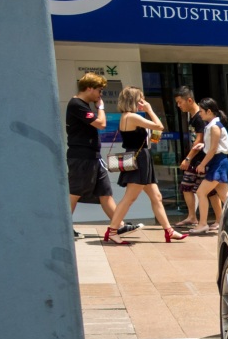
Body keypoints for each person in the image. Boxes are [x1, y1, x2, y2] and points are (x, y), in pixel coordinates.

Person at [102, 87, 187, 245]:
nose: (143, 102)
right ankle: (113, 231)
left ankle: (169, 231)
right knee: (130, 198)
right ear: (134, 100)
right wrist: (150, 110)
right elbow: (159, 126)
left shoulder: (128, 117)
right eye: (140, 99)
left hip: (141, 158)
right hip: (139, 159)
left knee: (157, 197)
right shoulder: (132, 116)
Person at [66, 72, 140, 239]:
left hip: (93, 156)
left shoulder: (83, 105)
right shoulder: (77, 104)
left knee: (105, 192)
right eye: (99, 90)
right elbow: (101, 123)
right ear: (90, 88)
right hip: (81, 157)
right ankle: (63, 228)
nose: (100, 95)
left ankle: (119, 226)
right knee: (75, 192)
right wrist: (101, 107)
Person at [188, 98, 228, 235]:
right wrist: (204, 146)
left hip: (218, 162)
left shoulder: (214, 126)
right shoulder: (213, 125)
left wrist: (202, 164)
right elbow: (214, 146)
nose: (200, 114)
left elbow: (214, 149)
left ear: (209, 111)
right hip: (219, 161)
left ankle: (202, 224)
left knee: (201, 192)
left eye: (202, 111)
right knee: (224, 196)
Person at [173, 86, 206, 229]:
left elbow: (199, 140)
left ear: (190, 100)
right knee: (186, 187)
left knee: (208, 192)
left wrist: (188, 158)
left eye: (180, 102)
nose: (178, 105)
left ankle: (218, 220)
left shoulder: (200, 117)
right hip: (195, 159)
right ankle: (192, 217)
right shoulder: (192, 117)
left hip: (201, 159)